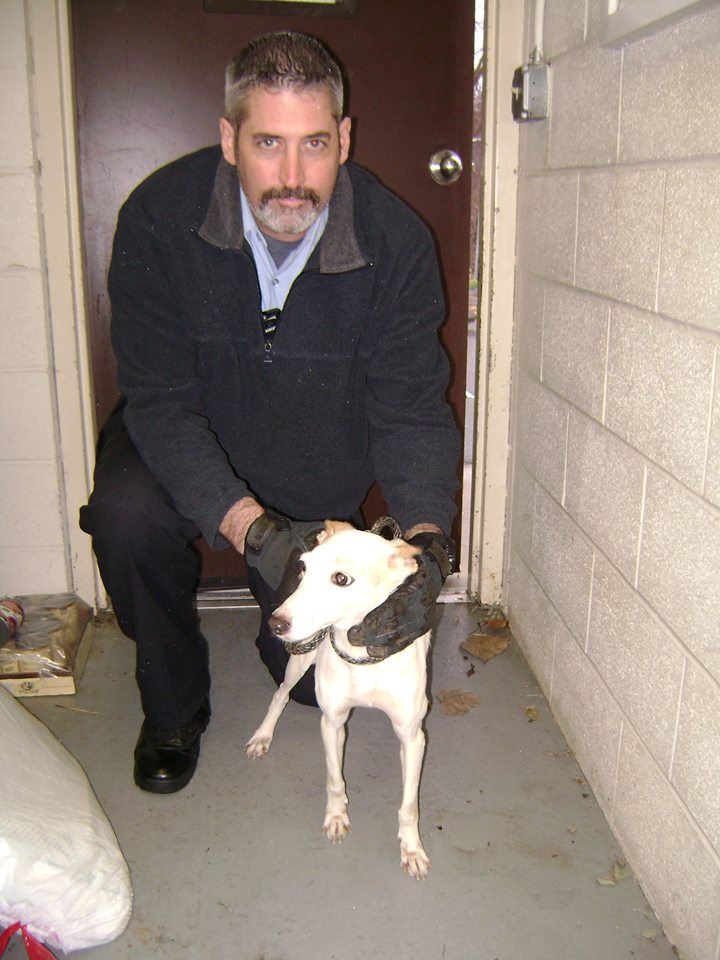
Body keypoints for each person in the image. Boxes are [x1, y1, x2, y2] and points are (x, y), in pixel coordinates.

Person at [79, 31, 460, 795]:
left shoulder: (396, 243)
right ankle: (173, 706)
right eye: (268, 145)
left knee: (317, 687)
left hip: (315, 464)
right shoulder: (158, 217)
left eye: (315, 145)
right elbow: (159, 399)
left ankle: (272, 631)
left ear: (345, 139)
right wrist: (250, 529)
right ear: (229, 139)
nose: (292, 178)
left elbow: (413, 412)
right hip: (187, 432)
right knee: (126, 517)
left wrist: (428, 549)